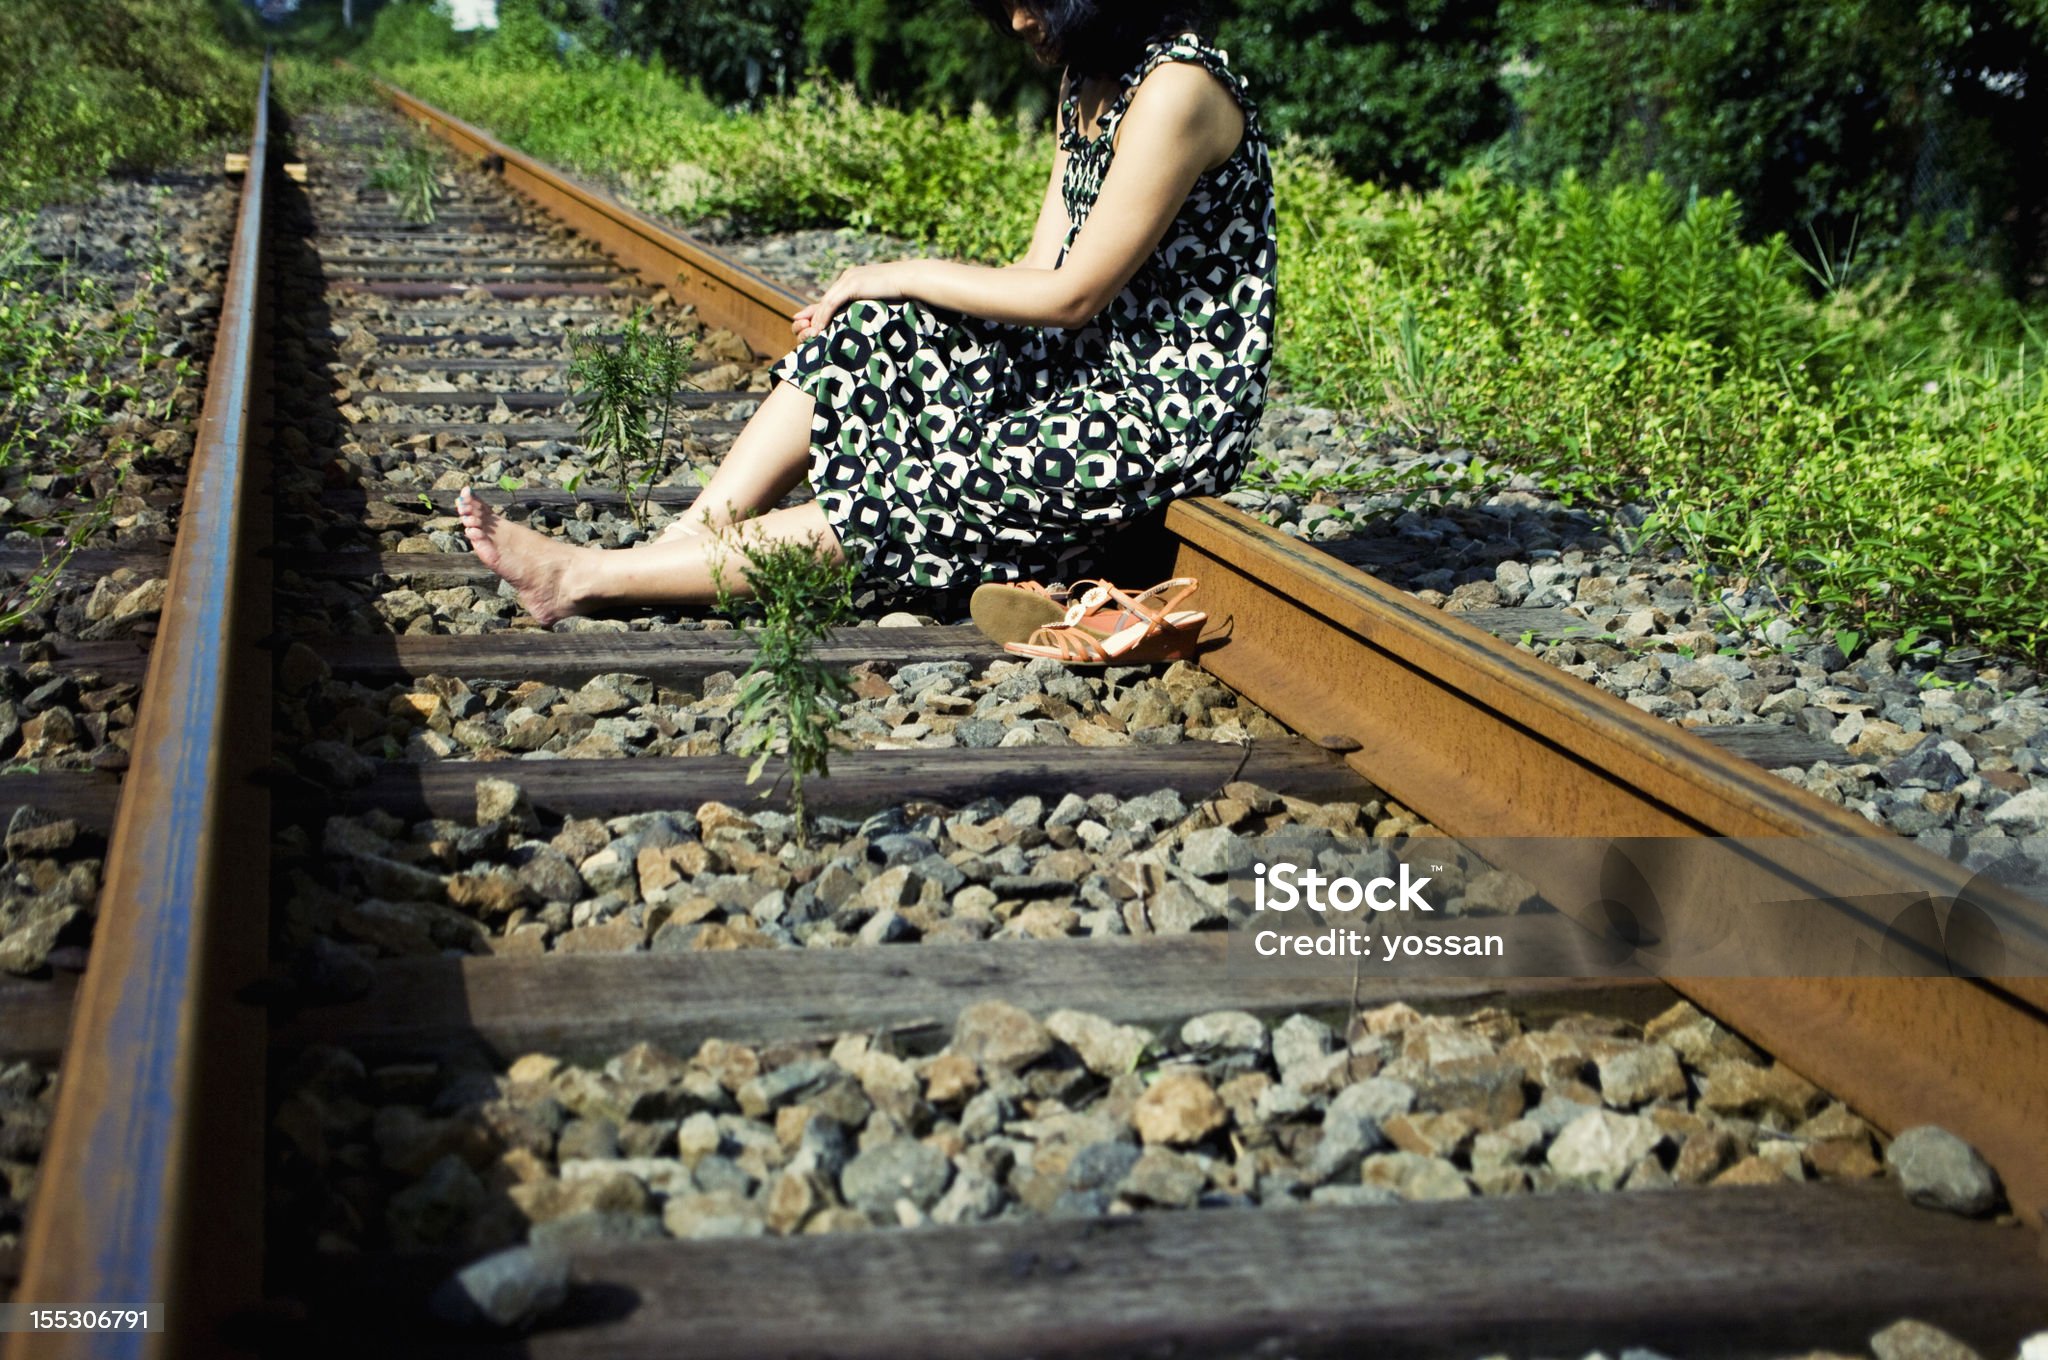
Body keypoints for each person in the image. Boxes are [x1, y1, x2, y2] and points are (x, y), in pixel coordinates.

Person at [456, 0, 1276, 626]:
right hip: (1085, 369)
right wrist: (884, 296)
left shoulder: (1178, 90)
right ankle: (682, 548)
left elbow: (1072, 294)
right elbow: (1037, 268)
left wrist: (893, 269)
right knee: (871, 332)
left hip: (1162, 409)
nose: (1020, 18)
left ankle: (590, 576)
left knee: (926, 479)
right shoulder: (1089, 82)